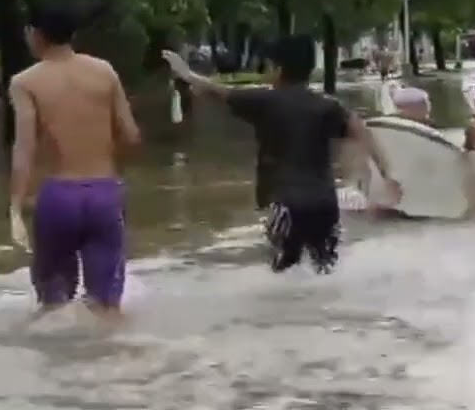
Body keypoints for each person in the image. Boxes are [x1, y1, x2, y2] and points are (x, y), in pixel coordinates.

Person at [161, 34, 401, 273]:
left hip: (287, 203)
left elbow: (220, 91)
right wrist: (387, 174)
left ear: (278, 69)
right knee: (324, 270)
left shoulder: (264, 101)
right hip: (325, 203)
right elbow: (364, 132)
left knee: (283, 274)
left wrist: (188, 75)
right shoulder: (328, 105)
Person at [8, 0, 141, 320]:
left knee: (54, 305)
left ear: (35, 33)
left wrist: (14, 208)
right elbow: (132, 136)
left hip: (58, 198)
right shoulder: (104, 71)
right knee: (107, 306)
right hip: (105, 193)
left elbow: (24, 150)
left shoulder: (25, 82)